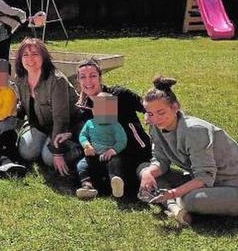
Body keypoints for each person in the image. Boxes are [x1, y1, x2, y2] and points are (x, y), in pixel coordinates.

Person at [138, 76, 238, 225]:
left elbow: (205, 177)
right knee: (143, 169)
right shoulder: (156, 126)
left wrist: (174, 192)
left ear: (175, 107)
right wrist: (149, 173)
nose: (156, 119)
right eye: (150, 114)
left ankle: (173, 203)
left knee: (191, 199)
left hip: (229, 183)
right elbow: (161, 160)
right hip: (198, 178)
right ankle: (175, 207)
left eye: (161, 112)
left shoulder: (194, 131)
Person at [76, 58, 151, 196]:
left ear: (100, 77)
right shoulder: (83, 107)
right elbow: (86, 133)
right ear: (78, 81)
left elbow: (146, 105)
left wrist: (148, 113)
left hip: (134, 150)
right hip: (105, 154)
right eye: (83, 77)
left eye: (93, 75)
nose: (88, 81)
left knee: (131, 180)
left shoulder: (119, 95)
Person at [14, 38, 82, 176]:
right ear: (20, 59)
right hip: (39, 125)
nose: (30, 59)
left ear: (44, 57)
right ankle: (46, 143)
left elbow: (61, 118)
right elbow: (24, 105)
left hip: (66, 126)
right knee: (26, 153)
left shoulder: (57, 80)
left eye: (35, 54)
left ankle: (80, 149)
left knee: (49, 158)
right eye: (25, 55)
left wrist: (57, 153)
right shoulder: (20, 78)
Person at [75, 93, 128, 199]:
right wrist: (87, 145)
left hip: (110, 155)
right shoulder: (90, 123)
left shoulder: (115, 125)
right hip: (94, 155)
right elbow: (83, 135)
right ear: (94, 111)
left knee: (116, 163)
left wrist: (113, 151)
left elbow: (122, 140)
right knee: (81, 165)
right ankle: (87, 186)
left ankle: (116, 184)